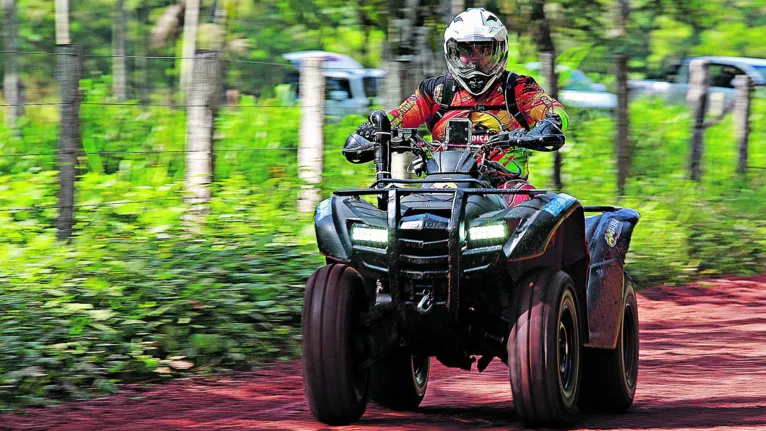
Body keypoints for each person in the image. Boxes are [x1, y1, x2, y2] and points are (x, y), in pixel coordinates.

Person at [344, 8, 569, 207]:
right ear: (452, 52)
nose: (475, 61)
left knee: (536, 210)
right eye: (465, 51)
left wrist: (550, 123)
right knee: (400, 213)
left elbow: (552, 108)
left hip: (506, 186)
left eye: (485, 51)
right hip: (440, 184)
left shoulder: (518, 88)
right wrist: (373, 129)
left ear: (500, 51)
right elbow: (400, 115)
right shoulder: (436, 91)